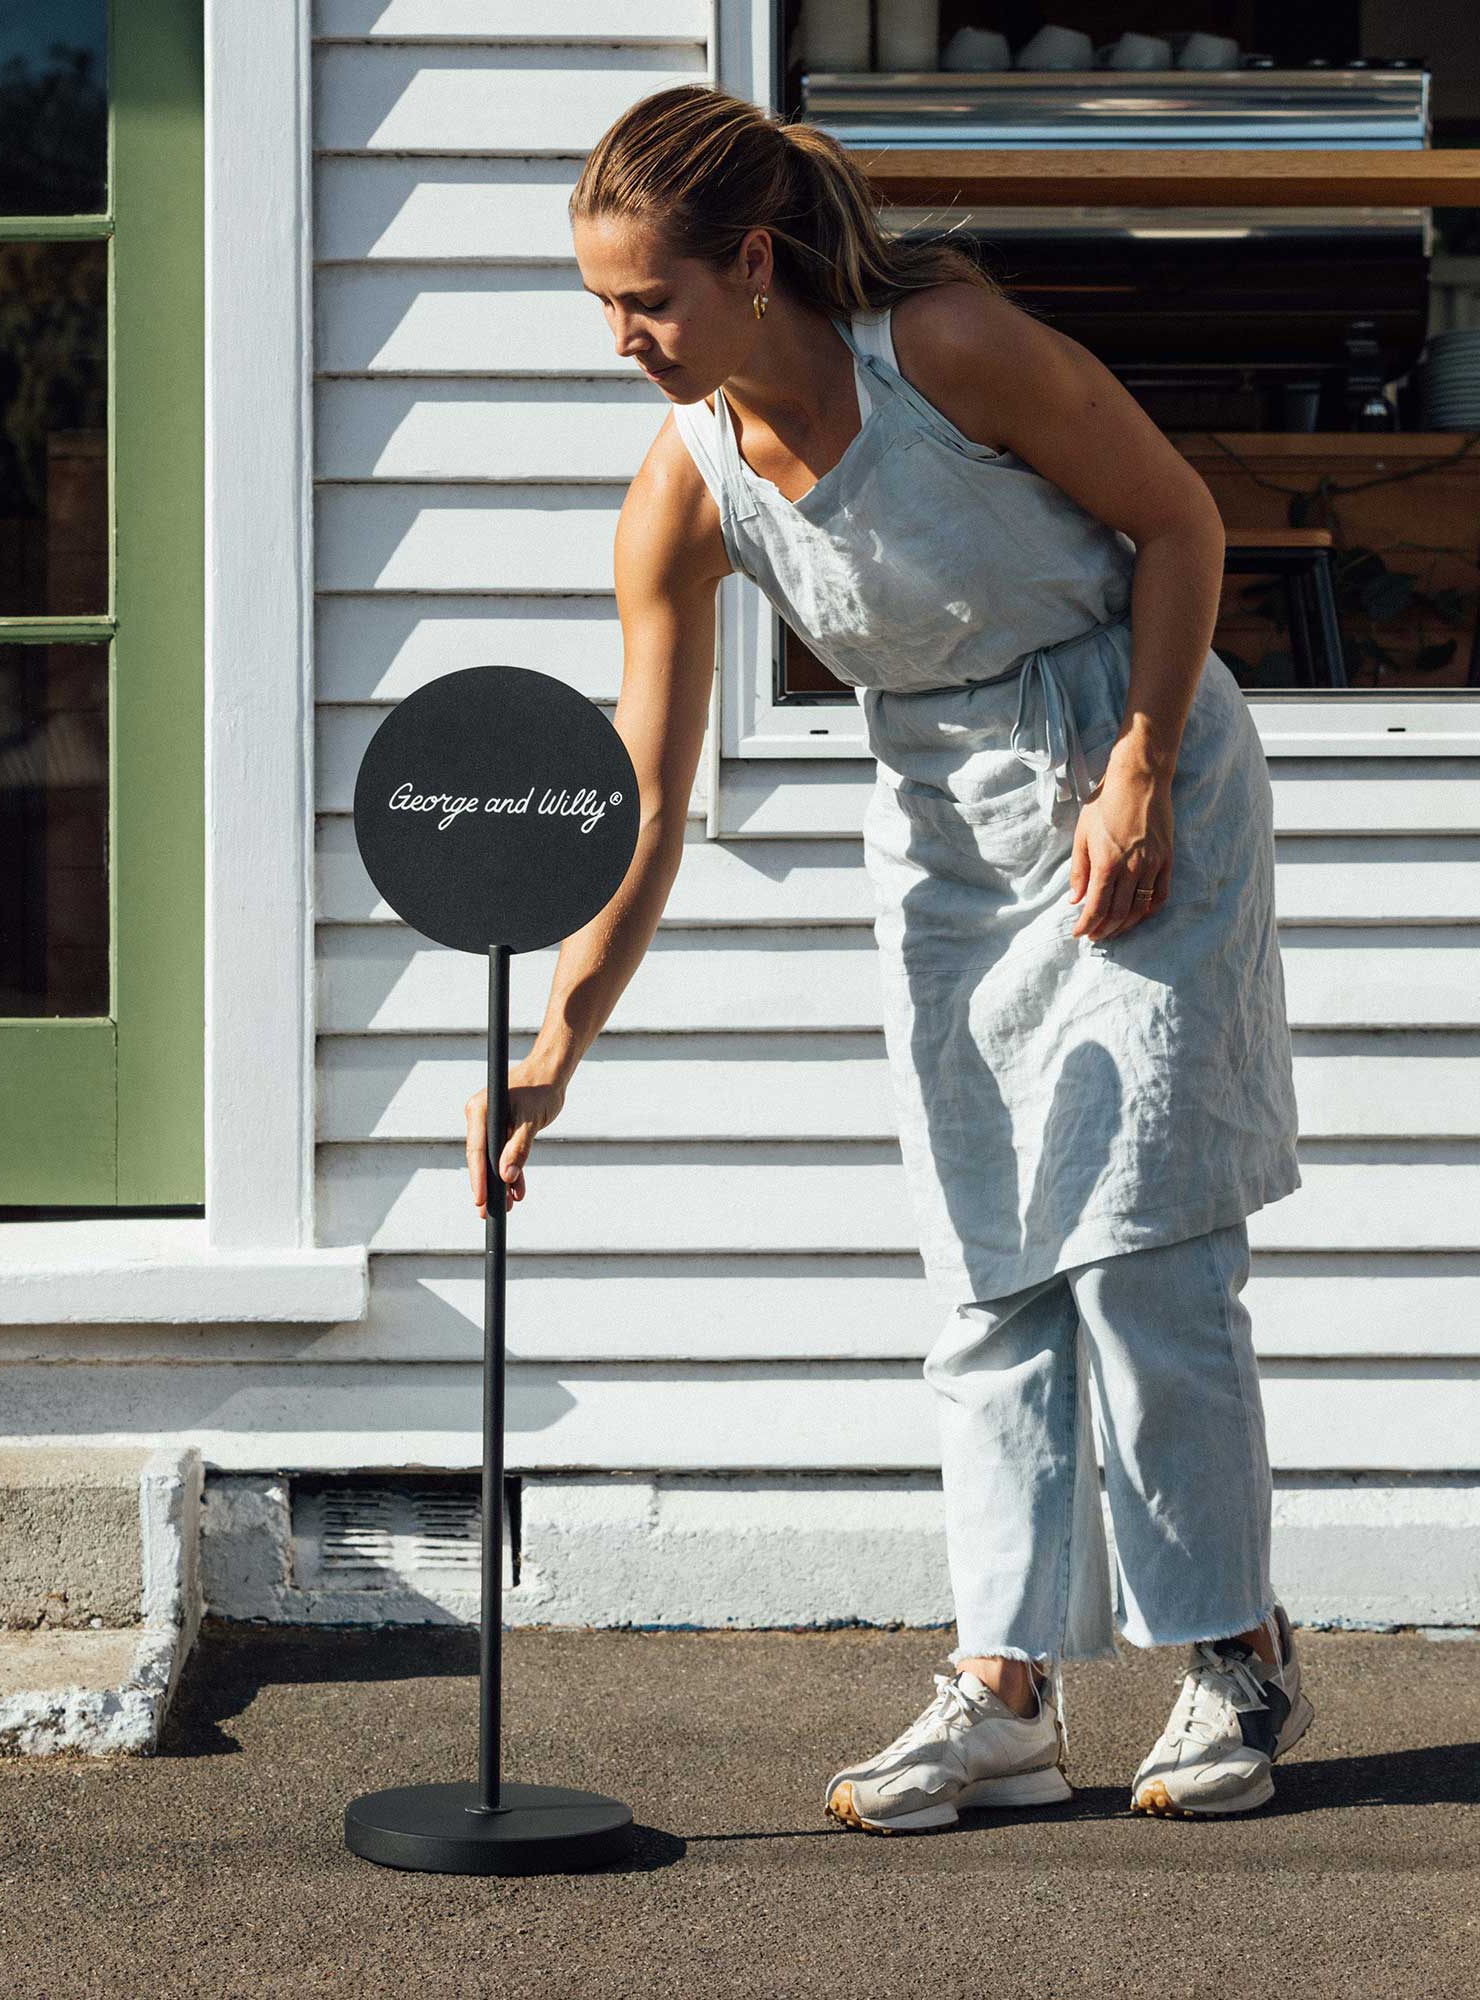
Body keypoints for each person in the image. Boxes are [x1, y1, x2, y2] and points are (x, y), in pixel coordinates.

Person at [463, 82, 1313, 1832]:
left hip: (1134, 770)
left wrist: (1144, 768)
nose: (622, 341)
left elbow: (1179, 524)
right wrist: (556, 1045)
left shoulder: (946, 350)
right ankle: (1007, 1692)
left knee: (1142, 1255)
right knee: (988, 1269)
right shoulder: (687, 486)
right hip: (945, 830)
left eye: (647, 301)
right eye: (601, 306)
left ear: (753, 265)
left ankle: (1235, 1656)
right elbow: (646, 798)